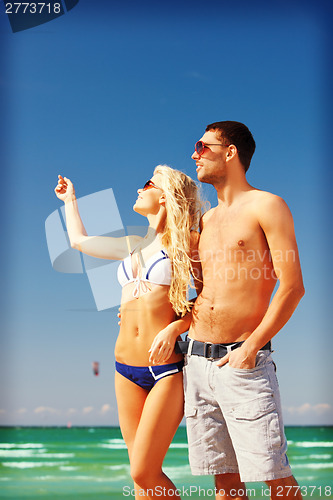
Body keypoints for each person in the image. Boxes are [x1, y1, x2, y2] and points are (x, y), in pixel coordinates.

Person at [150, 121, 305, 500]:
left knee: (275, 479)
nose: (194, 155)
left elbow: (292, 287)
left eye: (203, 147)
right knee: (224, 483)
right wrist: (174, 326)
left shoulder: (267, 205)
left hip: (242, 363)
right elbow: (203, 293)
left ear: (230, 151)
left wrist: (251, 347)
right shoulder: (205, 222)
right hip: (197, 364)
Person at [54, 165, 203, 499]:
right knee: (140, 481)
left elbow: (210, 296)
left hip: (164, 369)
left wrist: (176, 327)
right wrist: (70, 200)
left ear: (165, 197)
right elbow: (79, 241)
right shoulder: (133, 243)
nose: (139, 189)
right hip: (124, 367)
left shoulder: (188, 242)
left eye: (148, 184)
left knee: (143, 470)